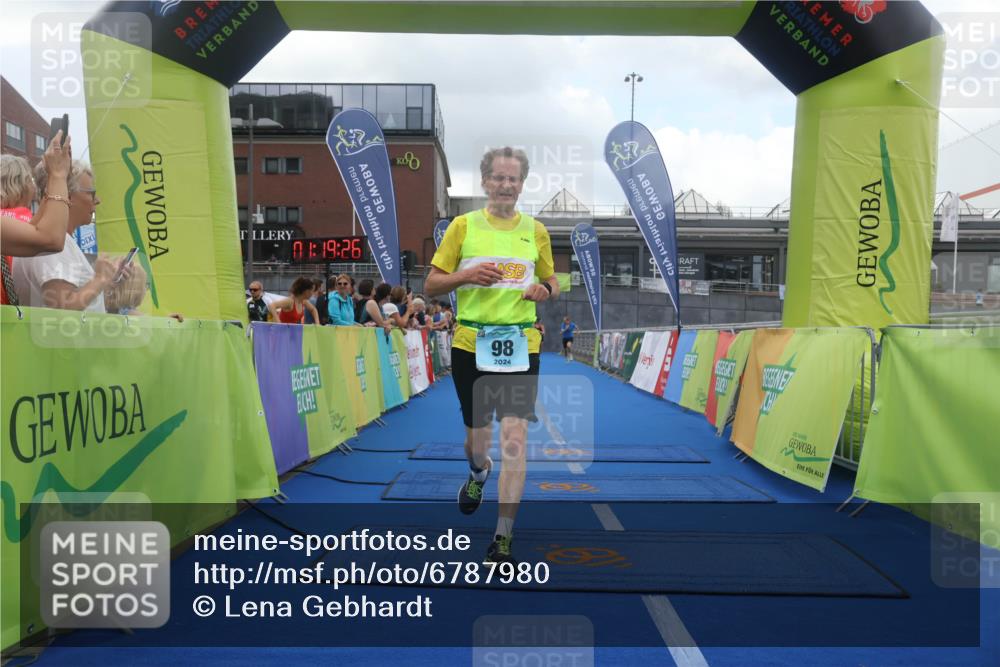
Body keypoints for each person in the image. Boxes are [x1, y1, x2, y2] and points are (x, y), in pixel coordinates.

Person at [424, 146, 558, 564]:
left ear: (521, 184)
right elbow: (430, 284)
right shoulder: (462, 227)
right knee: (477, 440)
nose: (505, 185)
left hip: (521, 344)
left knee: (515, 439)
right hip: (471, 344)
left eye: (513, 179)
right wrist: (466, 275)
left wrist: (545, 290)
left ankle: (502, 536)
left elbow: (555, 281)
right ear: (484, 181)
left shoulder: (536, 231)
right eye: (498, 178)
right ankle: (477, 472)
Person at [12, 159, 128, 312]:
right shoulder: (55, 244)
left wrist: (108, 280)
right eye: (92, 194)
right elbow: (63, 308)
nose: (97, 201)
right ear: (68, 195)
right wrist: (100, 278)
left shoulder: (50, 239)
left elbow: (81, 304)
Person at [1, 133, 72, 304]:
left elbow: (35, 231)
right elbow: (50, 239)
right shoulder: (19, 217)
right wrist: (57, 176)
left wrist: (55, 180)